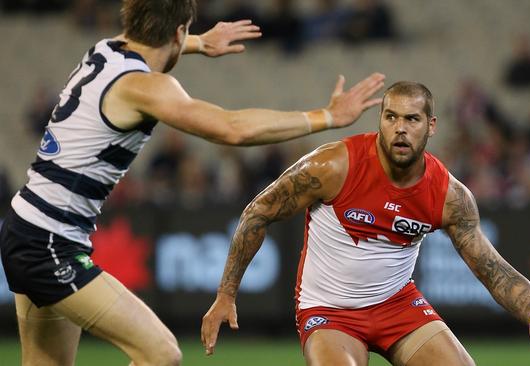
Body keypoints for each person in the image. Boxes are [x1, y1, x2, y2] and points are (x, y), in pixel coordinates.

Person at [0, 1, 385, 365]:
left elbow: (156, 40)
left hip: (25, 224)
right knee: (162, 353)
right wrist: (327, 116)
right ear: (180, 29)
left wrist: (199, 42)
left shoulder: (103, 50)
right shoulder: (146, 86)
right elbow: (231, 129)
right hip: (50, 245)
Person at [202, 81, 530, 366]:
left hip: (397, 305)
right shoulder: (333, 166)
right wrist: (226, 293)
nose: (400, 128)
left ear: (431, 126)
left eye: (411, 118)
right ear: (381, 121)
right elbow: (259, 212)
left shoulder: (448, 195)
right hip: (330, 310)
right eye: (390, 117)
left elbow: (494, 271)